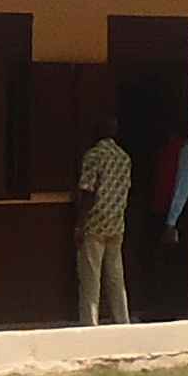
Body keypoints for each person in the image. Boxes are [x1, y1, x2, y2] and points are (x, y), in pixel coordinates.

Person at [73, 119, 135, 327]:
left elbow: (87, 191)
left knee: (91, 278)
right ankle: (122, 320)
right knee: (116, 277)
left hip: (95, 223)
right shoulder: (124, 158)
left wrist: (80, 224)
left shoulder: (94, 156)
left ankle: (90, 323)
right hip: (116, 223)